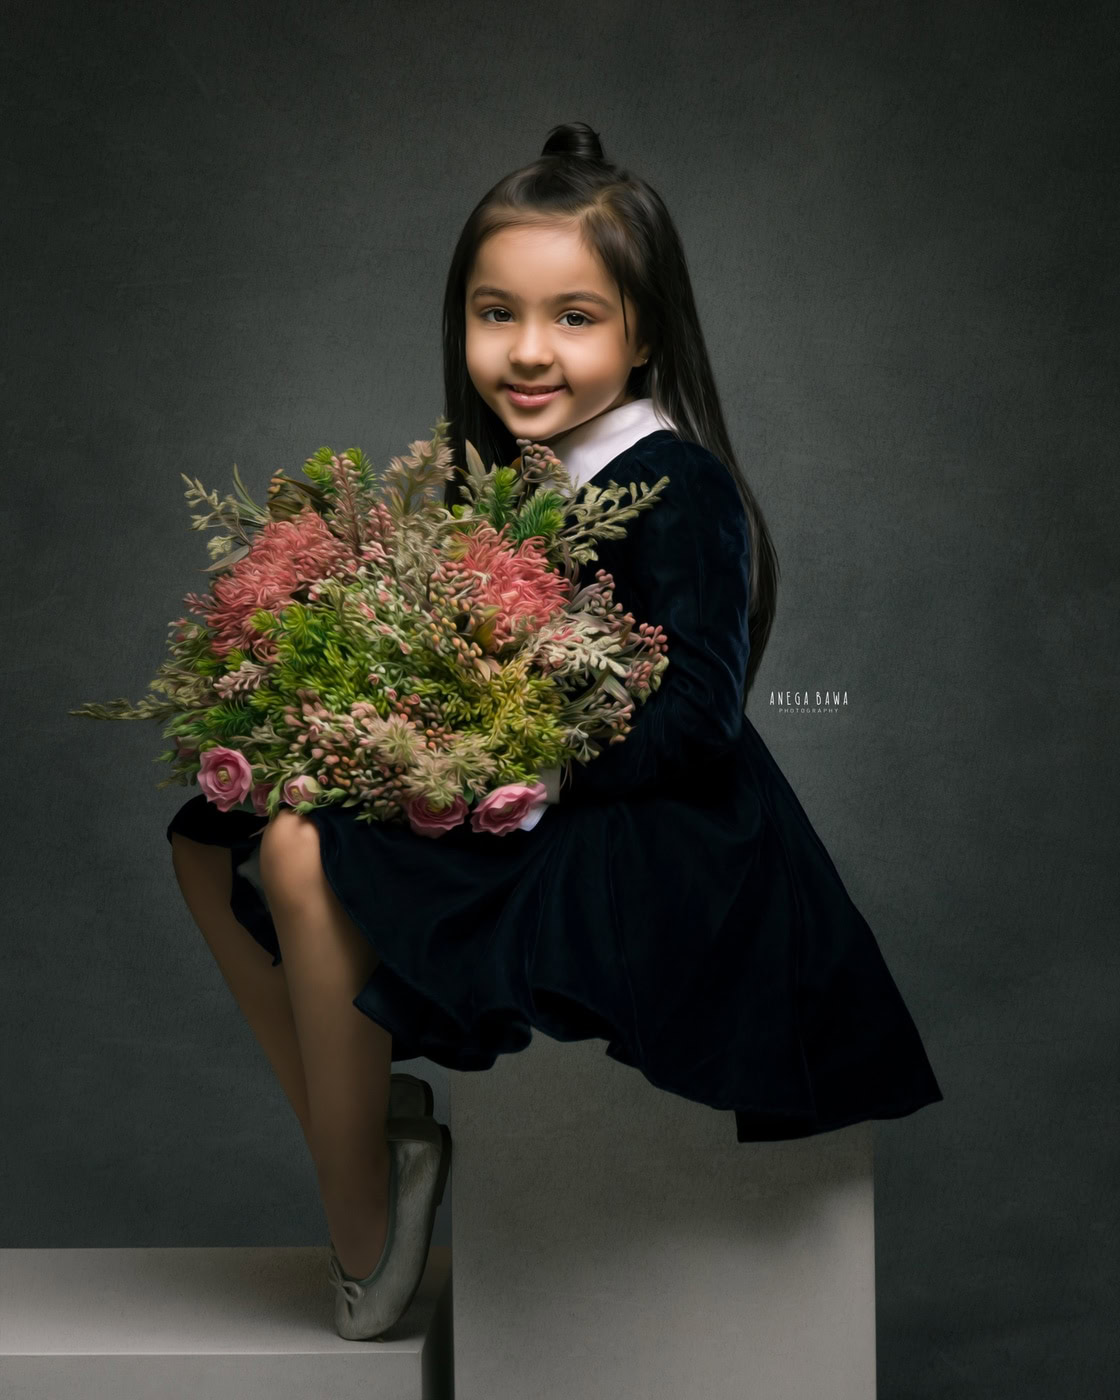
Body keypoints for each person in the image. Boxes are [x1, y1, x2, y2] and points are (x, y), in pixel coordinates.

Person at [167, 120, 943, 1341]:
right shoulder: (525, 477)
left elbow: (694, 719)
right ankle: (363, 1127)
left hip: (667, 833)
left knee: (304, 851)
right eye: (496, 312)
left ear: (644, 329)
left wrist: (484, 762)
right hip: (544, 784)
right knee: (212, 834)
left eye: (574, 316)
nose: (528, 351)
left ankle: (360, 1204)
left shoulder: (674, 485)